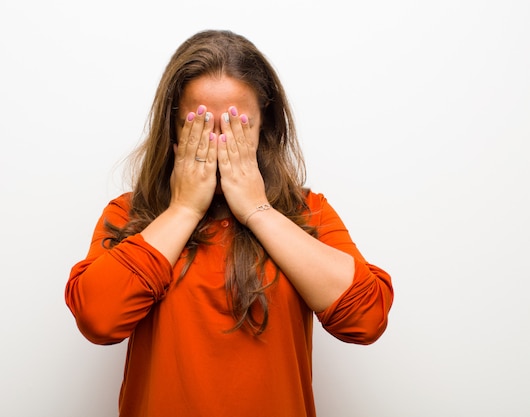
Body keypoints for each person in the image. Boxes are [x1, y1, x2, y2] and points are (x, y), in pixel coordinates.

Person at [65, 29, 393, 417]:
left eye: (238, 127)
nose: (219, 145)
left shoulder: (307, 212)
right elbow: (98, 321)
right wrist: (183, 209)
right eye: (200, 127)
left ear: (264, 127)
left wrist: (257, 210)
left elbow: (366, 319)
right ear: (172, 128)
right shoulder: (130, 215)